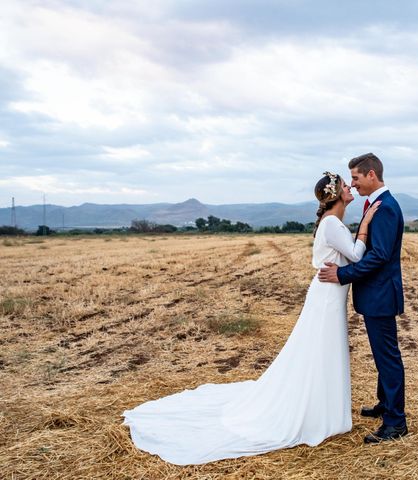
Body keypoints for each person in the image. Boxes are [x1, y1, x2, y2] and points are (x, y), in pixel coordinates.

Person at [122, 172, 380, 465]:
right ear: (335, 194)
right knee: (319, 351)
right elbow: (358, 257)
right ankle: (317, 411)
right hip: (327, 300)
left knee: (320, 352)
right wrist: (366, 225)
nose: (351, 188)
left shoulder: (333, 223)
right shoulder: (333, 223)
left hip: (330, 296)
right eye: (346, 186)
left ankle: (323, 407)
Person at [318, 153, 407, 443]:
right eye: (350, 180)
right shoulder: (376, 205)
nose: (353, 184)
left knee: (388, 358)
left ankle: (395, 422)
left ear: (371, 175)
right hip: (375, 294)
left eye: (355, 178)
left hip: (380, 294)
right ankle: (385, 404)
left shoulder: (386, 208)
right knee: (384, 357)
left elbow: (379, 256)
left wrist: (343, 276)